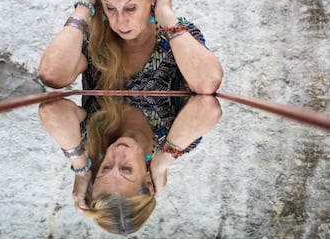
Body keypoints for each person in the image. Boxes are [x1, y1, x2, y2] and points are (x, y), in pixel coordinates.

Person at [38, 0, 223, 234]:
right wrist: (85, 5)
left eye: (131, 7)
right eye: (110, 7)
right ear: (146, 180)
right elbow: (51, 75)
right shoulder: (95, 33)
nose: (119, 21)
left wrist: (81, 168)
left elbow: (207, 85)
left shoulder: (174, 34)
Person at [39, 94, 222, 235]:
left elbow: (50, 109)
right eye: (127, 169)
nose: (117, 153)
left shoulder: (95, 138)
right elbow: (208, 108)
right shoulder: (174, 140)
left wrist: (81, 170)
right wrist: (162, 162)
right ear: (149, 183)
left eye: (106, 168)